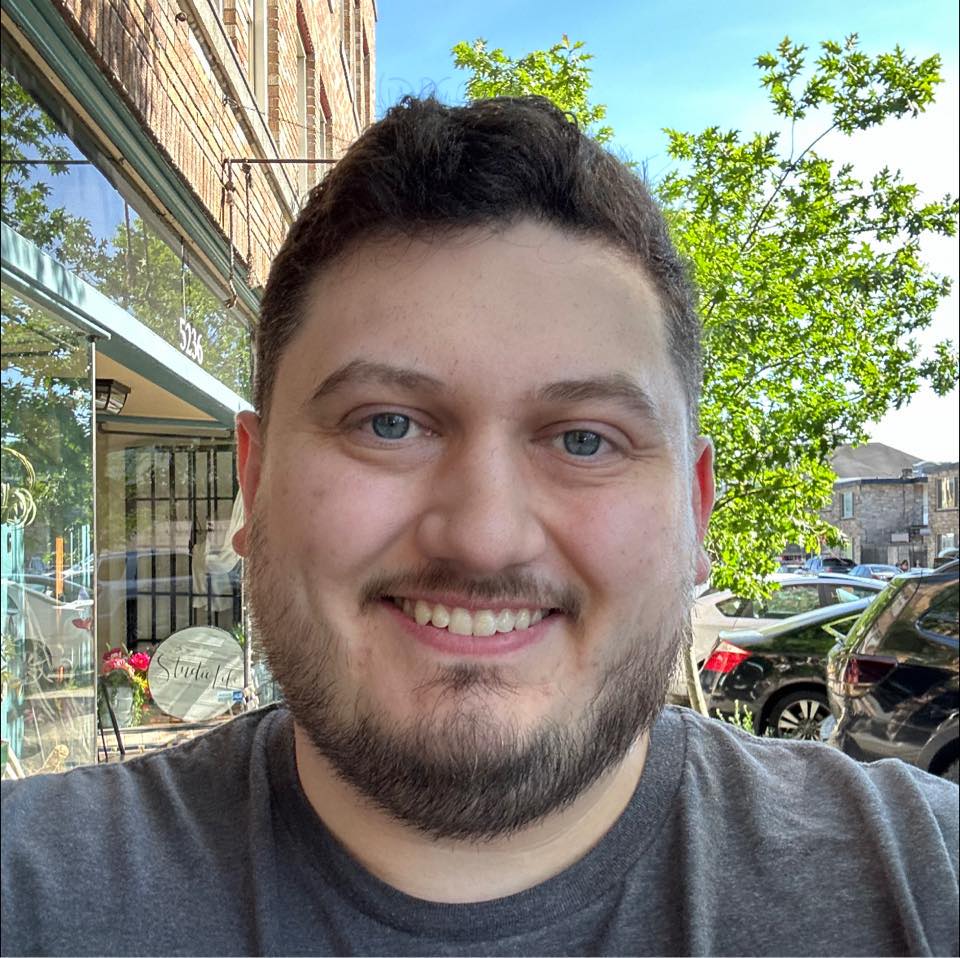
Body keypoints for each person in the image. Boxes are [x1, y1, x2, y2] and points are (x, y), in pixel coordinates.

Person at [2, 96, 957, 958]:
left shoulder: (923, 885)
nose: (485, 537)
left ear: (696, 509)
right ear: (254, 481)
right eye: (388, 424)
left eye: (584, 439)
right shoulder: (32, 891)